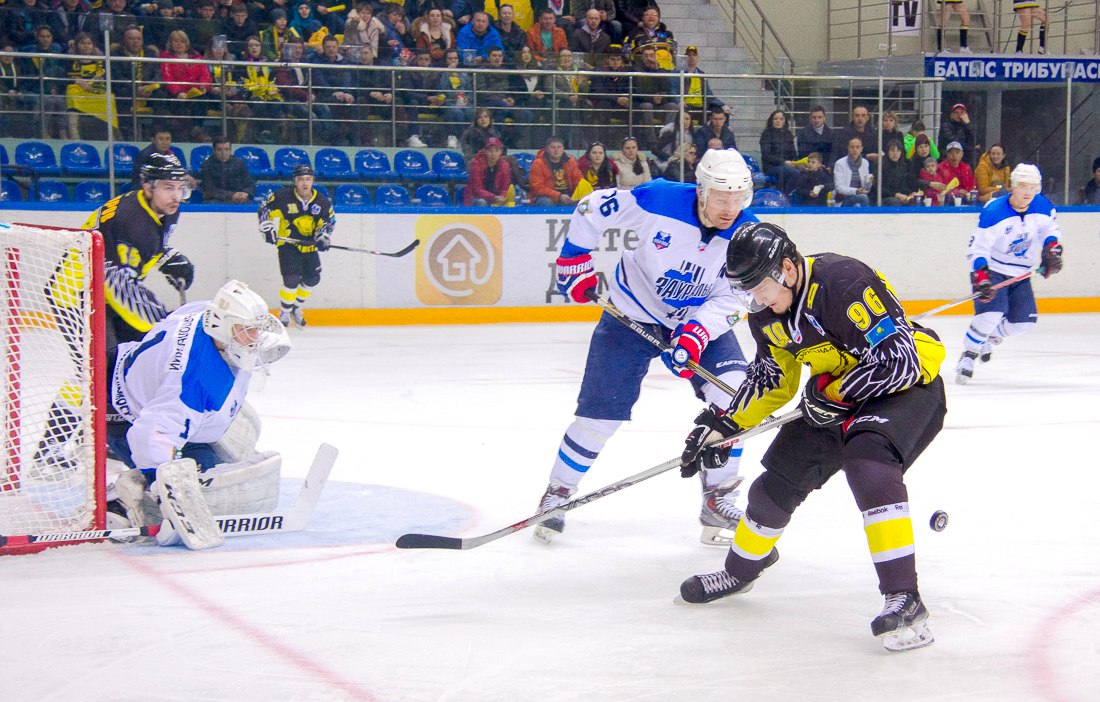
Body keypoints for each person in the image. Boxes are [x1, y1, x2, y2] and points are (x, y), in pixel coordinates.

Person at [677, 221, 947, 653]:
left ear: (787, 267)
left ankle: (905, 598)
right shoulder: (767, 313)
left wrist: (837, 393)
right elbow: (772, 381)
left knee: (868, 464)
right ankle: (740, 571)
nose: (758, 300)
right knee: (777, 482)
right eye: (748, 292)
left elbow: (901, 361)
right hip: (835, 395)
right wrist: (723, 427)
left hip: (907, 389)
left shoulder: (844, 281)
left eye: (761, 287)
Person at [536, 149, 758, 546]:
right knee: (599, 417)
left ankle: (718, 496)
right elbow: (590, 207)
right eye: (722, 198)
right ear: (702, 190)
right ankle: (558, 492)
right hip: (631, 315)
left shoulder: (747, 235)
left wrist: (696, 334)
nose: (730, 208)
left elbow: (736, 296)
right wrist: (574, 258)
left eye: (738, 198)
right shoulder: (659, 199)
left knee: (735, 396)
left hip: (695, 321)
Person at [103, 279, 291, 550]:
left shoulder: (205, 312)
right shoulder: (197, 378)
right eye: (245, 330)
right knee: (206, 486)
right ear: (222, 325)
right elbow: (151, 434)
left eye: (254, 329)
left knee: (226, 444)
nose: (254, 338)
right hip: (122, 412)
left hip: (126, 368)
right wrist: (163, 491)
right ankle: (121, 503)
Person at [954, 163, 1063, 384]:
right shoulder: (994, 212)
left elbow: (1050, 230)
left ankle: (988, 337)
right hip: (993, 271)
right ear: (1012, 186)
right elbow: (978, 248)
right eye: (1022, 186)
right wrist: (981, 276)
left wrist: (1052, 247)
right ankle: (968, 355)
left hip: (1021, 274)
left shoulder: (1042, 206)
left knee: (1023, 324)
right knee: (990, 315)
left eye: (1032, 187)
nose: (1027, 192)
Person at [87, 152, 196, 349]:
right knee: (108, 360)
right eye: (168, 187)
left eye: (181, 188)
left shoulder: (164, 208)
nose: (176, 196)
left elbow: (148, 243)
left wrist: (165, 257)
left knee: (139, 355)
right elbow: (120, 287)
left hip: (108, 290)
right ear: (148, 187)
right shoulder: (128, 220)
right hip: (80, 295)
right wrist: (165, 321)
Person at [257, 164, 336, 328]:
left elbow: (329, 221)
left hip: (309, 246)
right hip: (288, 244)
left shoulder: (322, 201)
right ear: (295, 181)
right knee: (291, 279)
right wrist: (267, 227)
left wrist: (323, 236)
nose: (304, 183)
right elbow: (264, 208)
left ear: (312, 181)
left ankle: (296, 307)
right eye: (301, 179)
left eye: (308, 179)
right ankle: (285, 311)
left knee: (313, 279)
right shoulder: (283, 196)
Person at [527, 134, 583, 206]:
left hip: (568, 196)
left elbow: (578, 181)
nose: (556, 150)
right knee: (545, 202)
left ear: (563, 149)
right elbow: (537, 187)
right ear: (547, 149)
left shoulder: (571, 161)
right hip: (546, 197)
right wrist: (558, 195)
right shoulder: (538, 163)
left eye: (559, 147)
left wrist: (580, 193)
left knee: (583, 201)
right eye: (553, 147)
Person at [199, 135, 255, 204]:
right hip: (216, 200)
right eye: (219, 150)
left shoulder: (239, 163)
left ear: (230, 150)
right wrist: (232, 195)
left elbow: (249, 183)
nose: (224, 153)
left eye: (226, 149)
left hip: (238, 199)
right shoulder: (206, 165)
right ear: (214, 150)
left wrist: (245, 194)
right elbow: (209, 189)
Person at [464, 136, 515, 206]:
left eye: (496, 151)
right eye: (490, 151)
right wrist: (494, 197)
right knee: (481, 202)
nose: (493, 154)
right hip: (476, 198)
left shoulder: (505, 166)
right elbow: (477, 190)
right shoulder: (476, 164)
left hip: (497, 198)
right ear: (485, 151)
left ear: (501, 152)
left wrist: (502, 197)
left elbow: (505, 188)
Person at [759, 109, 800, 192]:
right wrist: (784, 162)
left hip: (787, 165)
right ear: (771, 120)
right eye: (775, 119)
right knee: (793, 173)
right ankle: (785, 195)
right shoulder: (766, 134)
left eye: (781, 119)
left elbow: (793, 152)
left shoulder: (788, 134)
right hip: (771, 167)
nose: (778, 121)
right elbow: (767, 156)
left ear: (784, 121)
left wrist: (797, 163)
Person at [833, 137, 872, 207]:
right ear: (848, 148)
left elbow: (866, 187)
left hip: (861, 195)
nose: (855, 149)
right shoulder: (839, 163)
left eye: (857, 147)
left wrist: (869, 182)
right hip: (844, 197)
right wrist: (856, 191)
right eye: (852, 147)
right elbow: (839, 188)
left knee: (863, 198)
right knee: (863, 198)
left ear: (861, 149)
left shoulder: (865, 163)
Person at [878, 140, 919, 206]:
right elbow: (880, 189)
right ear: (887, 152)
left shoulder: (904, 166)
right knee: (894, 201)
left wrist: (910, 193)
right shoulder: (881, 166)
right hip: (885, 198)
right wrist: (897, 195)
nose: (895, 153)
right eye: (892, 150)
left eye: (898, 151)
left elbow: (905, 185)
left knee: (915, 200)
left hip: (900, 196)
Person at [935, 141, 976, 205]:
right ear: (947, 154)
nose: (954, 156)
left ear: (962, 154)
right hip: (947, 201)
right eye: (951, 153)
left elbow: (971, 186)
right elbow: (940, 188)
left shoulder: (966, 168)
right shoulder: (940, 168)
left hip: (965, 199)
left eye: (957, 152)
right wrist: (956, 192)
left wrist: (967, 193)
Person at [938, 102, 976, 167]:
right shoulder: (946, 126)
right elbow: (955, 143)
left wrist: (968, 124)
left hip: (964, 161)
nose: (959, 115)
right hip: (948, 161)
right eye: (956, 113)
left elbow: (972, 141)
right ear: (951, 115)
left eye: (962, 113)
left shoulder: (967, 126)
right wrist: (966, 146)